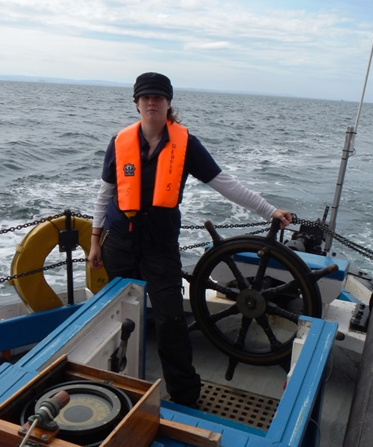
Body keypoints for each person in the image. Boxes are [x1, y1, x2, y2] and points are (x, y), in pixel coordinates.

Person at [88, 72, 292, 406]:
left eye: (159, 97)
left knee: (170, 319)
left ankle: (184, 394)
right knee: (118, 312)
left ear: (168, 103)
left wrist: (268, 210)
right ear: (136, 103)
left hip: (160, 245)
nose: (152, 102)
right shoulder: (120, 142)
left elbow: (225, 183)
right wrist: (95, 240)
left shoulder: (186, 145)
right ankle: (118, 383)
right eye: (146, 97)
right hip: (118, 243)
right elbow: (105, 193)